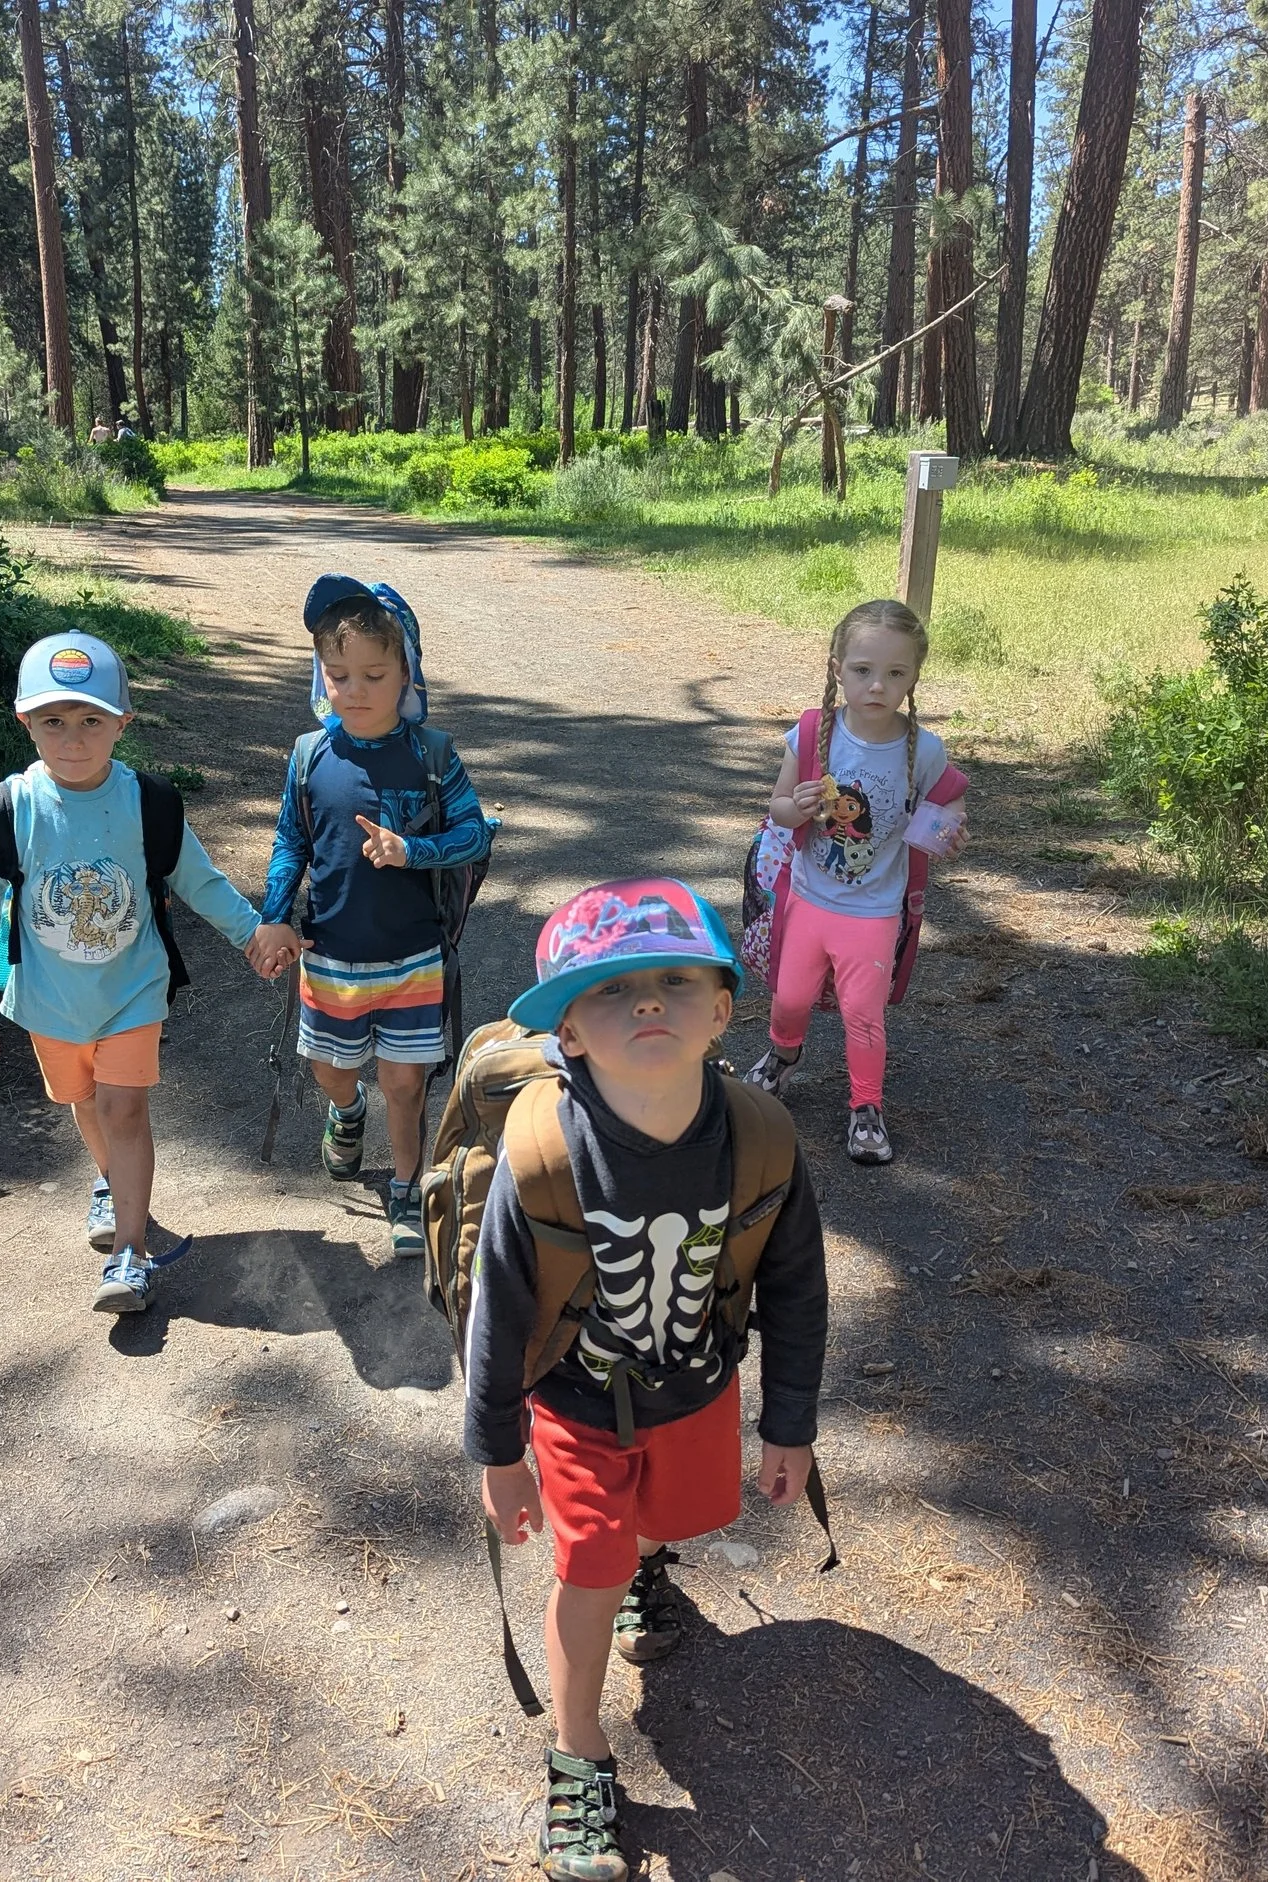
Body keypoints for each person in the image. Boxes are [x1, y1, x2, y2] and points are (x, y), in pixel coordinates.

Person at [464, 878, 826, 1882]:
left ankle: (644, 1565)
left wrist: (787, 1421)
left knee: (670, 1519)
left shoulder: (758, 1138)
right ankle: (576, 1750)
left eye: (673, 981)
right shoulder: (541, 1155)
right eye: (613, 991)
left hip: (698, 1388)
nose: (649, 1003)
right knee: (588, 1565)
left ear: (723, 1009)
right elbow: (495, 1313)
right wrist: (497, 1451)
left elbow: (796, 1286)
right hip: (576, 1402)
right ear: (567, 1032)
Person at [0, 631, 300, 1313]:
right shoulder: (8, 809)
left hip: (133, 991)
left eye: (91, 721)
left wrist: (252, 934)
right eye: (53, 721)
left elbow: (197, 880)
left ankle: (130, 1255)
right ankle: (110, 1183)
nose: (72, 739)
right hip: (48, 999)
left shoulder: (148, 803)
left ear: (122, 725)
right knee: (84, 1104)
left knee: (122, 1106)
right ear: (25, 722)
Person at [258, 574, 492, 1256]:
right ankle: (345, 1110)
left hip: (414, 957)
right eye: (338, 675)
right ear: (320, 675)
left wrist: (412, 849)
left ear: (406, 675)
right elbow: (290, 841)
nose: (354, 690)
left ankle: (405, 1187)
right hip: (330, 955)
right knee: (333, 1071)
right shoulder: (309, 757)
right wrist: (275, 915)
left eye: (373, 674)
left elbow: (476, 834)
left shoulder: (431, 756)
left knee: (404, 1081)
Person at [744, 597, 968, 1165]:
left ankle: (866, 1107)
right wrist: (793, 807)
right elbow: (778, 808)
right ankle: (783, 1055)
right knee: (789, 997)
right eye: (863, 670)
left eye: (896, 673)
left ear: (914, 676)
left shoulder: (925, 748)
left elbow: (950, 798)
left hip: (874, 909)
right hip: (810, 897)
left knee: (862, 1015)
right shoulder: (815, 731)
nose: (877, 686)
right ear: (837, 668)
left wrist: (945, 831)